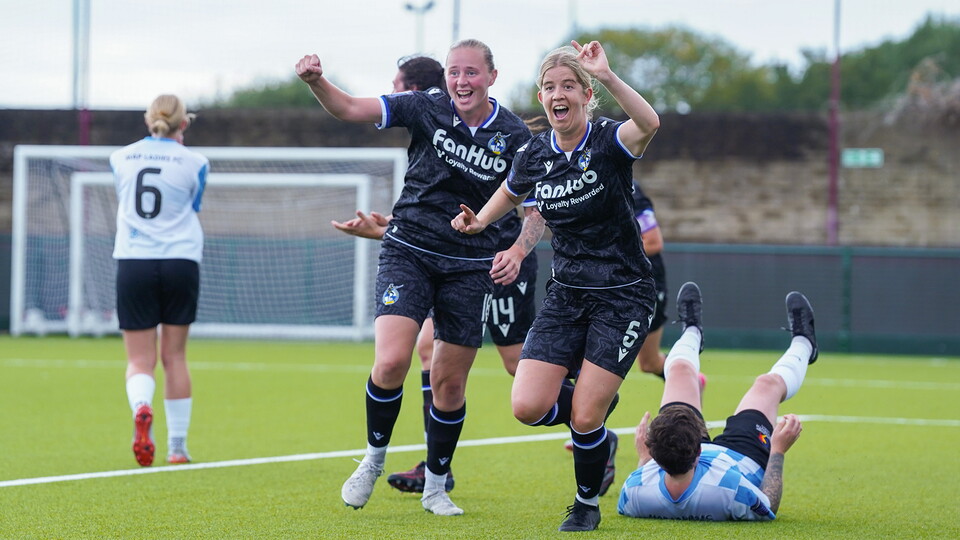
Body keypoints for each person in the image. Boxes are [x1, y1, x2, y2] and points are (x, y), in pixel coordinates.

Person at [297, 39, 532, 516]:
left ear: (491, 76)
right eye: (453, 72)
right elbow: (348, 107)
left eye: (471, 72)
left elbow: (534, 208)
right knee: (391, 362)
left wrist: (518, 249)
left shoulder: (514, 135)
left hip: (470, 267)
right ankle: (373, 459)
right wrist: (316, 81)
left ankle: (436, 485)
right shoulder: (425, 108)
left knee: (448, 383)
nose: (461, 81)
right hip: (410, 251)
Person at [451, 40, 661, 532]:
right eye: (549, 87)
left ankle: (586, 502)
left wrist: (608, 74)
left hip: (623, 294)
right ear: (541, 98)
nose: (557, 94)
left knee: (585, 416)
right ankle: (595, 418)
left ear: (587, 96)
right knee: (526, 407)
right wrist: (480, 222)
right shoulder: (535, 152)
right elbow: (511, 190)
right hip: (567, 295)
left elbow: (650, 124)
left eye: (568, 86)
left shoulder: (610, 141)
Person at [618, 282, 818, 521]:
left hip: (681, 457)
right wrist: (778, 450)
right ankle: (805, 344)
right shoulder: (732, 491)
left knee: (680, 368)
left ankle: (692, 331)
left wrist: (643, 459)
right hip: (741, 458)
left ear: (653, 452)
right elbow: (768, 505)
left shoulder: (632, 493)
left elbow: (643, 483)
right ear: (699, 450)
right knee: (767, 385)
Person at [110, 94, 208, 467]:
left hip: (134, 262)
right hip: (180, 262)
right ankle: (177, 448)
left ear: (147, 120)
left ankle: (142, 406)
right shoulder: (196, 161)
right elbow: (193, 205)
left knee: (139, 360)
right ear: (183, 123)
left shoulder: (120, 158)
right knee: (174, 356)